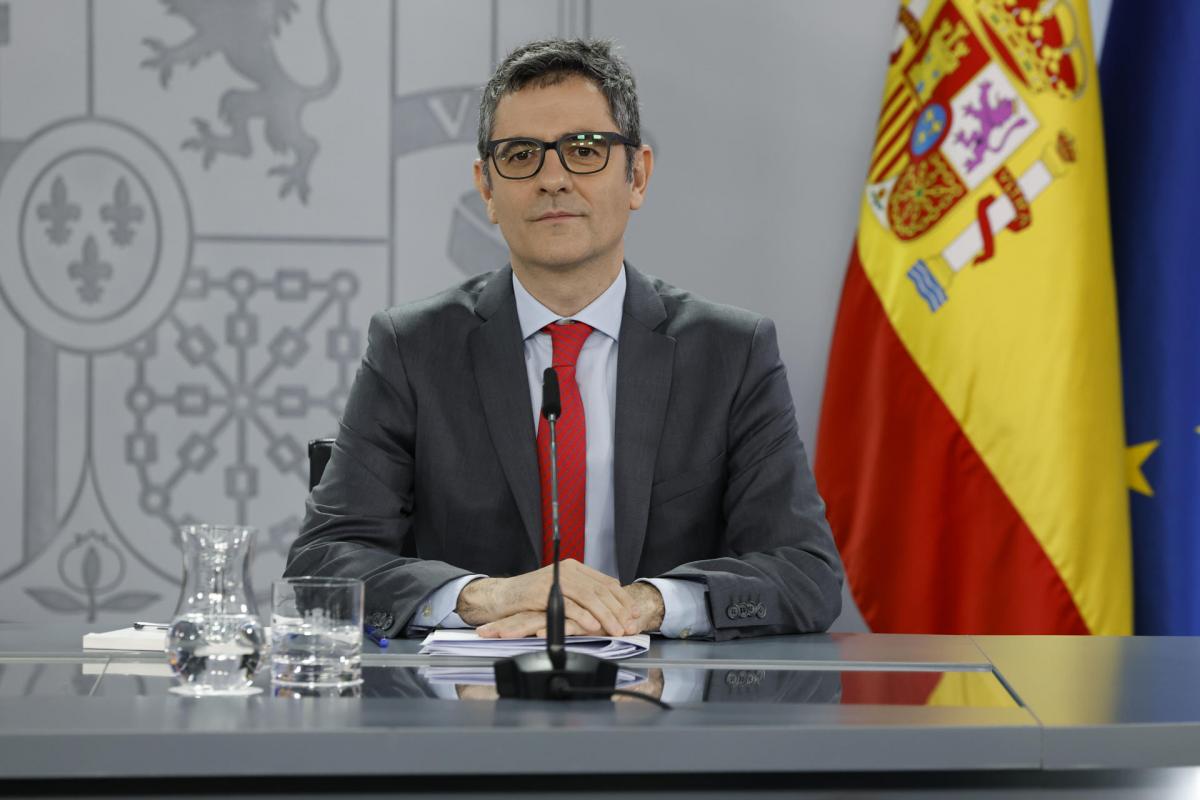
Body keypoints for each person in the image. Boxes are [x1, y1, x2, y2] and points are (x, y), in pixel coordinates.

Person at [285, 38, 843, 642]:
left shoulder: (731, 353)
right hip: (466, 711)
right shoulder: (412, 348)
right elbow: (323, 562)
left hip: (668, 717)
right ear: (487, 189)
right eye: (521, 154)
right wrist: (486, 597)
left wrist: (647, 605)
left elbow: (805, 572)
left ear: (638, 176)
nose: (553, 179)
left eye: (585, 150)